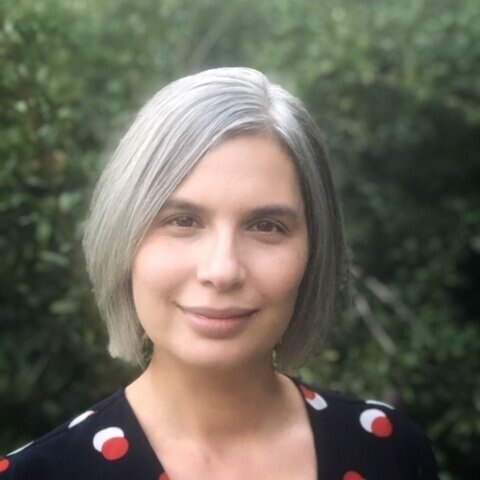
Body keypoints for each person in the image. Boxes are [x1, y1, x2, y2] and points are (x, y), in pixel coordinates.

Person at [0, 67, 439, 479]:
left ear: (314, 250)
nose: (223, 270)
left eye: (266, 226)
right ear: (123, 237)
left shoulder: (390, 453)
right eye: (182, 221)